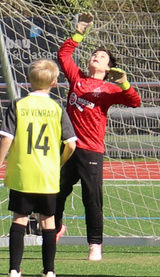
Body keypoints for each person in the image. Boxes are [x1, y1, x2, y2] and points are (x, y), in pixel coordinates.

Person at [56, 13, 141, 261]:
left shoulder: (110, 89)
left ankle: (95, 244)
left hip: (91, 150)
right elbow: (63, 55)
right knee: (56, 192)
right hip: (68, 147)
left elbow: (135, 101)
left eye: (102, 56)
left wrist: (124, 83)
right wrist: (78, 33)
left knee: (92, 199)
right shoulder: (77, 79)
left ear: (108, 67)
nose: (96, 56)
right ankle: (56, 228)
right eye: (95, 53)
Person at [0, 59, 76, 277]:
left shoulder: (19, 105)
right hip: (47, 175)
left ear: (28, 79)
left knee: (19, 219)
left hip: (22, 173)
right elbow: (72, 144)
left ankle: (14, 271)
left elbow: (6, 138)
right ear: (54, 83)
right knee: (48, 222)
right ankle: (49, 273)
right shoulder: (57, 108)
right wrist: (58, 163)